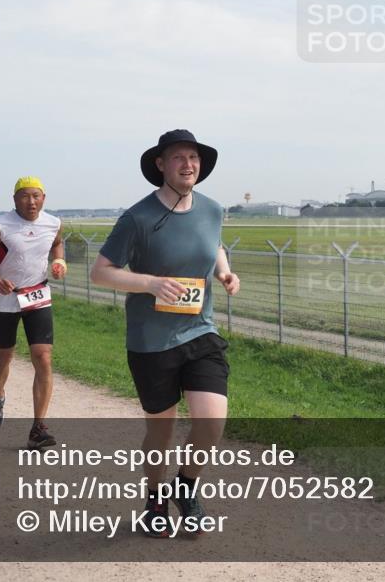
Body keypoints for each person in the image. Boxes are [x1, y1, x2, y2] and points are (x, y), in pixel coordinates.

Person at [90, 129, 239, 538]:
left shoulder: (212, 209)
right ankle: (155, 497)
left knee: (212, 421)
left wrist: (223, 271)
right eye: (178, 158)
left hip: (200, 331)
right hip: (151, 342)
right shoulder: (136, 218)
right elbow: (100, 272)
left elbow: (214, 244)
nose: (188, 164)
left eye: (194, 157)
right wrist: (151, 284)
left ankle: (186, 487)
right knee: (162, 431)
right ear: (161, 164)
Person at [0, 178, 65, 450]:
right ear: (15, 199)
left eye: (36, 196)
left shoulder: (53, 223)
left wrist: (59, 260)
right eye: (25, 196)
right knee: (5, 355)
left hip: (38, 295)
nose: (31, 201)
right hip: (7, 299)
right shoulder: (1, 226)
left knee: (43, 356)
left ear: (44, 198)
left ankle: (38, 427)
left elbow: (57, 244)